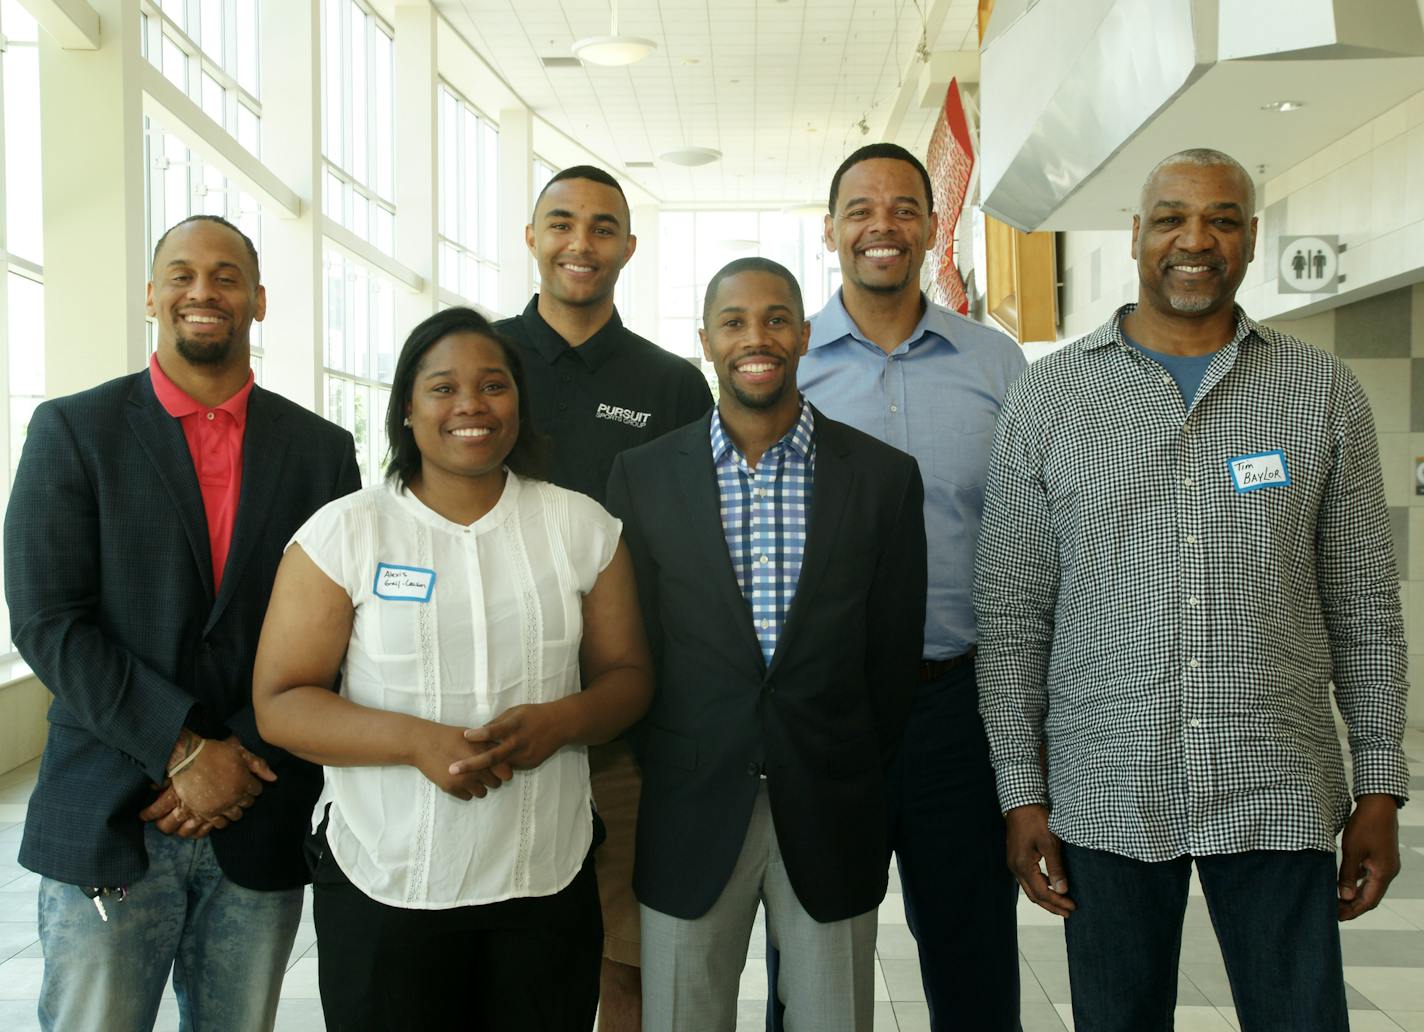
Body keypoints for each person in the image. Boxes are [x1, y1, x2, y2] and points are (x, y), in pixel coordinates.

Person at [974, 148, 1409, 1032]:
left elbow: (1365, 601)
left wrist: (1379, 789)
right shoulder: (1051, 399)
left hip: (1278, 787)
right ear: (1136, 235)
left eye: (1221, 220)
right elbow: (1014, 613)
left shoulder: (1319, 391)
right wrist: (1021, 793)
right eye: (1172, 217)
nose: (1195, 239)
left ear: (1250, 239)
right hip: (1108, 790)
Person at [3, 214, 361, 1031]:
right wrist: (184, 750)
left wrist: (238, 760)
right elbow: (48, 621)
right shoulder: (73, 430)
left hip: (258, 811)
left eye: (227, 275)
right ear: (153, 295)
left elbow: (338, 631)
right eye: (183, 273)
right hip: (108, 809)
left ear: (259, 300)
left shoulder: (319, 452)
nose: (204, 290)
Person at [252, 306, 654, 1032]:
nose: (471, 404)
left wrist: (562, 722)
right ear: (406, 407)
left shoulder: (580, 526)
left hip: (543, 882)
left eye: (493, 385)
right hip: (386, 883)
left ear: (519, 403)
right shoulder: (345, 533)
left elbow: (627, 676)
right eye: (442, 388)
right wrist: (417, 742)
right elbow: (282, 702)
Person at [607, 257, 927, 1031]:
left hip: (830, 801)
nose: (758, 337)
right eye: (735, 321)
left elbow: (892, 658)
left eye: (777, 318)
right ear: (706, 342)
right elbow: (633, 646)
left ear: (805, 334)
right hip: (688, 802)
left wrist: (842, 753)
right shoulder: (643, 476)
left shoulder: (884, 478)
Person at [780, 142, 1026, 1031]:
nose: (881, 224)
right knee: (805, 965)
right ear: (831, 230)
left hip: (954, 709)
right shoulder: (788, 366)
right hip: (825, 713)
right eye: (860, 208)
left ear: (931, 226)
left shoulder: (997, 367)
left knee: (972, 959)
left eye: (902, 207)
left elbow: (1031, 542)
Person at [494, 164, 712, 1030]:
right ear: (531, 237)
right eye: (561, 222)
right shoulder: (483, 361)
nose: (580, 243)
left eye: (602, 226)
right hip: (500, 711)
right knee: (519, 960)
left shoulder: (670, 386)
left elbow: (700, 553)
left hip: (627, 728)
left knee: (629, 956)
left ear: (627, 245)